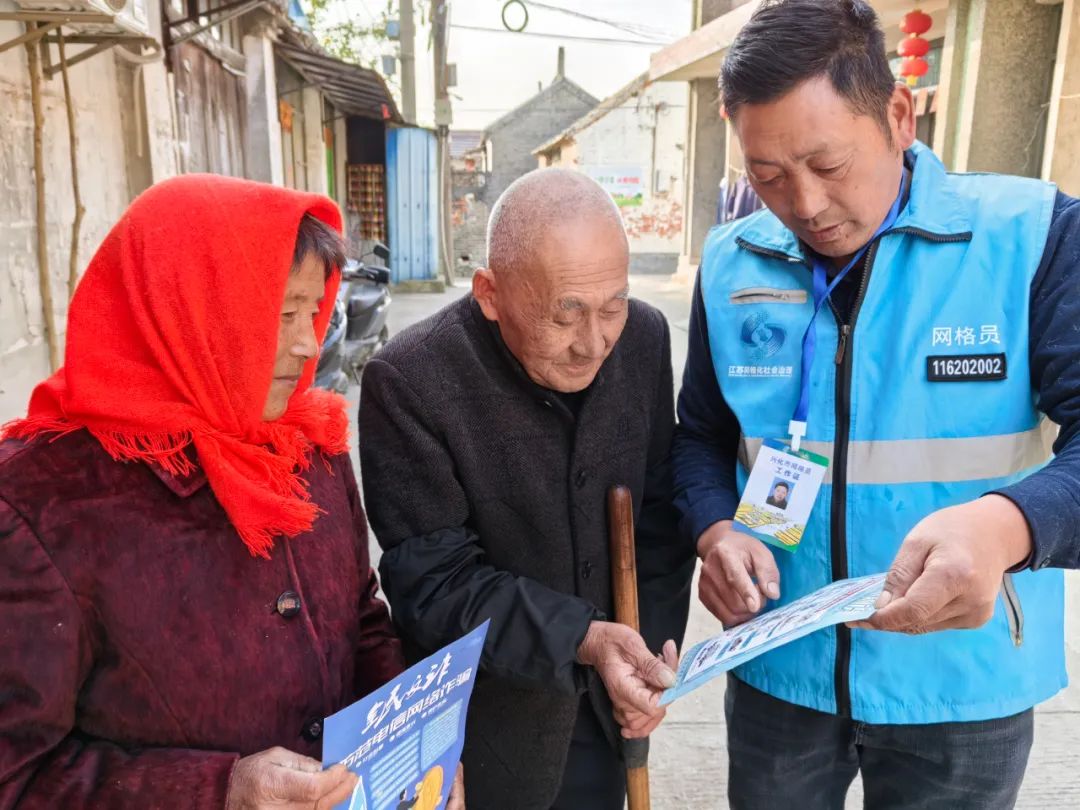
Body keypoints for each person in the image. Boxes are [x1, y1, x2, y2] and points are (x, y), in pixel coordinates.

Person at [673, 1, 1080, 808]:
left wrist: (1006, 527)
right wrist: (716, 530)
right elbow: (700, 438)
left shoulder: (1032, 237)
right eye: (767, 176)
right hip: (780, 669)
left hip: (963, 682)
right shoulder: (730, 261)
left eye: (828, 164)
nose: (805, 204)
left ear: (898, 114)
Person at [0, 176, 463, 809]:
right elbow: (18, 775)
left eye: (312, 311)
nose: (308, 344)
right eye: (282, 314)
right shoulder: (41, 503)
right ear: (188, 312)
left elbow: (361, 621)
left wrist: (419, 750)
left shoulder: (308, 448)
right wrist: (217, 792)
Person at [358, 168, 696, 810]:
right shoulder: (411, 380)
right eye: (566, 314)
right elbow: (432, 582)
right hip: (489, 730)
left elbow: (657, 518)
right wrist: (582, 638)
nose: (594, 343)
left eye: (613, 305)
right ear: (490, 293)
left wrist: (646, 661)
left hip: (608, 712)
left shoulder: (645, 338)